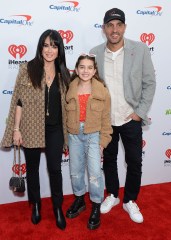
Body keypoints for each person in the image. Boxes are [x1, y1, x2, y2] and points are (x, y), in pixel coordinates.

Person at [90, 8, 156, 223]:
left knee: (134, 161)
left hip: (130, 117)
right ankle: (112, 195)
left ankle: (130, 199)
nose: (114, 29)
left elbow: (149, 83)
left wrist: (140, 113)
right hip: (106, 120)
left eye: (119, 25)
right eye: (110, 25)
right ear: (104, 29)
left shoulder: (140, 49)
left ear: (125, 27)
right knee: (108, 159)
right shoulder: (95, 53)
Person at [1, 29, 70, 230]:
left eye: (54, 45)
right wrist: (16, 129)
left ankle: (58, 207)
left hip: (55, 129)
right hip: (30, 127)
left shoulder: (64, 72)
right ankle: (36, 205)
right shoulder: (27, 68)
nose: (50, 50)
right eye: (46, 45)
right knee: (32, 169)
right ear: (40, 46)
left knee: (55, 170)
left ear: (59, 49)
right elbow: (19, 101)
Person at [65, 54, 112, 230]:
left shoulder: (102, 91)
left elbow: (106, 118)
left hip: (94, 135)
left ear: (94, 71)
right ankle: (79, 199)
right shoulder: (70, 88)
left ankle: (96, 205)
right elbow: (65, 116)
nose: (85, 70)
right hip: (74, 134)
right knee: (75, 171)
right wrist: (65, 138)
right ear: (76, 70)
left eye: (89, 67)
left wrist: (103, 140)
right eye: (82, 67)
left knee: (94, 173)